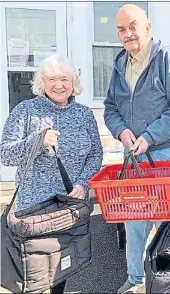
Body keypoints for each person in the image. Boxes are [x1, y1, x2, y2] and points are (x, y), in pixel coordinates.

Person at [104, 4, 170, 293]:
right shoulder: (120, 64)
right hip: (133, 156)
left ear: (147, 28)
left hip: (165, 152)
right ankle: (136, 278)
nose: (127, 33)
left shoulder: (166, 59)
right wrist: (122, 130)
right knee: (134, 219)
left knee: (168, 220)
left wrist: (151, 136)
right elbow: (110, 108)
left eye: (132, 26)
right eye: (121, 29)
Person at [0, 55, 103, 293]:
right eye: (52, 79)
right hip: (35, 209)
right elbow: (5, 154)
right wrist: (37, 141)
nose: (59, 85)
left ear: (73, 82)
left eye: (65, 79)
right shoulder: (25, 111)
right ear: (42, 82)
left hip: (68, 206)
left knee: (61, 267)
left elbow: (95, 155)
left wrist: (83, 183)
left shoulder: (84, 114)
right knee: (34, 274)